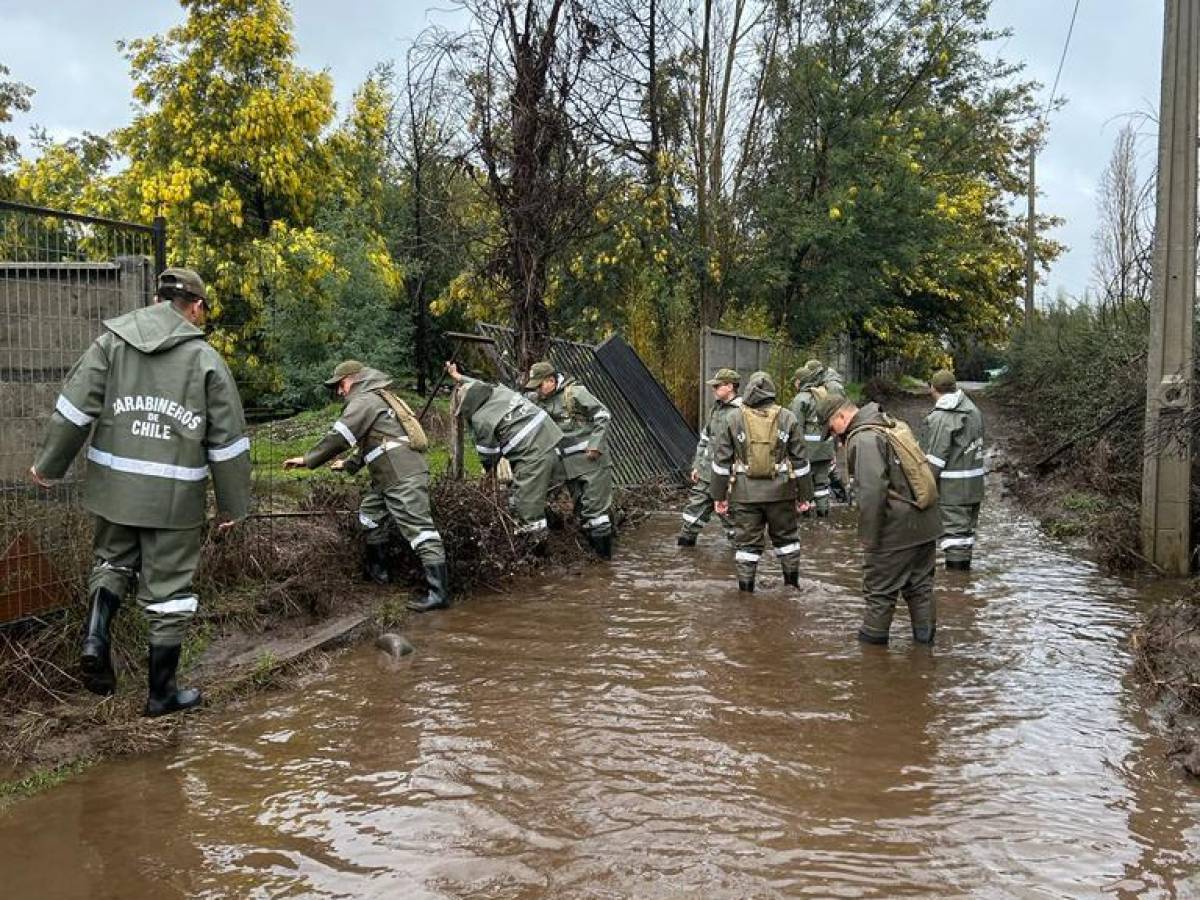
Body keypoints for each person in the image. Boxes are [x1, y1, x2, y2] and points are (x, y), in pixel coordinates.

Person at [29, 267, 250, 715]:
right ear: (196, 307)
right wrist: (232, 505)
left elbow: (73, 409)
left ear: (155, 300)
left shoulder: (111, 343)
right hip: (174, 502)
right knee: (169, 590)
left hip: (115, 493)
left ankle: (95, 636)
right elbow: (228, 441)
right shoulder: (206, 360)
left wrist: (48, 466)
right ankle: (161, 694)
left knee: (112, 561)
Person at [282, 361, 449, 613]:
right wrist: (348, 466)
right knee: (370, 515)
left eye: (341, 384)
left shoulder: (365, 401)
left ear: (355, 379)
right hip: (388, 478)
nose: (340, 391)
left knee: (420, 531)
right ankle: (378, 574)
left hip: (401, 476)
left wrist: (308, 459)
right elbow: (375, 441)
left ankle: (439, 595)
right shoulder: (376, 399)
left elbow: (340, 436)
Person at [811, 386, 939, 645]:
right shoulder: (888, 423)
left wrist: (868, 539)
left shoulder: (864, 438)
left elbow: (871, 493)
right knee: (920, 589)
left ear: (840, 418)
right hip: (924, 523)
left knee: (879, 594)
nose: (835, 437)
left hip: (895, 530)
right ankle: (925, 656)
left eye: (832, 429)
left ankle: (871, 661)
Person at [709, 371, 814, 592]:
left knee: (746, 546)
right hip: (782, 493)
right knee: (787, 541)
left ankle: (746, 594)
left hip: (744, 495)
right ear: (772, 392)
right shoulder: (787, 418)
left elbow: (721, 463)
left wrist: (718, 497)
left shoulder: (733, 418)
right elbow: (801, 462)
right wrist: (805, 496)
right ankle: (792, 588)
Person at [445, 361, 564, 537]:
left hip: (533, 455)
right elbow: (477, 386)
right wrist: (457, 376)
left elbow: (489, 455)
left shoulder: (481, 419)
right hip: (553, 441)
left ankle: (536, 545)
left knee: (526, 506)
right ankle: (554, 524)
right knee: (535, 493)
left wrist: (489, 474)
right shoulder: (498, 392)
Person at [524, 361, 615, 558]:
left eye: (539, 386)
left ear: (551, 380)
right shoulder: (539, 400)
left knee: (597, 515)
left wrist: (596, 444)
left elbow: (603, 414)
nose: (538, 391)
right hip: (569, 468)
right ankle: (598, 560)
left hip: (592, 463)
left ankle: (606, 568)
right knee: (584, 513)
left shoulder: (575, 393)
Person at [922, 369, 985, 570]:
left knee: (955, 538)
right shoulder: (972, 410)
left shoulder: (943, 417)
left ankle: (956, 589)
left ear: (933, 388)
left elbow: (935, 459)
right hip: (974, 488)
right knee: (966, 535)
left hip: (952, 490)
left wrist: (922, 490)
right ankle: (964, 586)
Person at [677, 368, 742, 547]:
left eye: (717, 386)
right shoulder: (717, 409)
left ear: (730, 387)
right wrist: (697, 464)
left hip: (729, 477)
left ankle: (739, 558)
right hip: (707, 473)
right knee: (692, 513)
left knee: (730, 517)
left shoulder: (741, 412)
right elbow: (705, 438)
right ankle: (685, 550)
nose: (713, 389)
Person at [789, 359, 845, 518]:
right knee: (822, 483)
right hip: (825, 448)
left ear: (801, 382)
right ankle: (823, 513)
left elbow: (795, 427)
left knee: (803, 482)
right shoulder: (823, 395)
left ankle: (805, 514)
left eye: (797, 381)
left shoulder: (800, 400)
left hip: (807, 451)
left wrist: (792, 451)